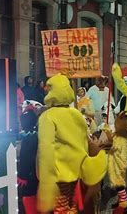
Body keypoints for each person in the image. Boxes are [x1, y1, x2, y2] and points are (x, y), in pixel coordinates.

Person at [37, 73, 107, 213]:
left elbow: (46, 149)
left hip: (58, 174)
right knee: (71, 207)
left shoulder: (47, 117)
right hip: (76, 170)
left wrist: (46, 180)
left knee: (61, 209)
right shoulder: (76, 114)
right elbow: (83, 142)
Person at [18, 105, 40, 214]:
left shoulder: (28, 138)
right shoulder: (36, 136)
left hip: (29, 176)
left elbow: (26, 158)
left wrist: (22, 176)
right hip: (37, 174)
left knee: (29, 199)